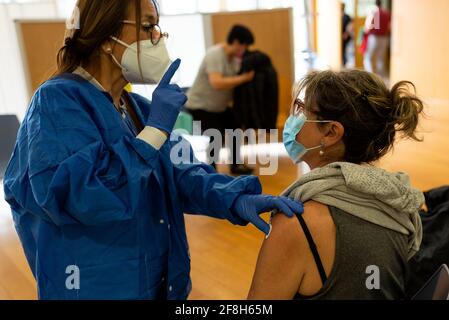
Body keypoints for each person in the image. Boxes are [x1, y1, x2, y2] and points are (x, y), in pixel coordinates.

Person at [2, 0, 303, 300]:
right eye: (147, 27)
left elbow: (183, 172)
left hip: (156, 282)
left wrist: (236, 197)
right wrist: (152, 135)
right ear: (107, 39)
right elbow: (83, 195)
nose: (157, 38)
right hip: (93, 286)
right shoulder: (57, 103)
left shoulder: (137, 110)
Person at [248, 69, 425, 300]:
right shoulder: (399, 209)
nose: (294, 119)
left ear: (331, 132)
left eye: (303, 110)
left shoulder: (295, 222)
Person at [186, 25, 256, 175]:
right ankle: (211, 171)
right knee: (215, 134)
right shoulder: (215, 54)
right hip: (200, 105)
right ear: (236, 42)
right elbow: (216, 83)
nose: (245, 49)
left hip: (219, 107)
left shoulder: (235, 60)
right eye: (244, 45)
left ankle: (236, 165)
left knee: (235, 127)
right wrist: (244, 78)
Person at [364, 0, 391, 76]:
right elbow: (389, 27)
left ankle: (370, 76)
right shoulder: (387, 13)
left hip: (374, 37)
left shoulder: (375, 13)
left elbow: (369, 27)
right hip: (384, 38)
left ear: (375, 4)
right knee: (380, 59)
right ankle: (380, 78)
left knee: (367, 57)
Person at [342, 2, 353, 67]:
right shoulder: (337, 16)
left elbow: (350, 26)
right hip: (340, 37)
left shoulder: (347, 17)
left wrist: (346, 33)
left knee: (345, 50)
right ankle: (344, 62)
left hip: (345, 36)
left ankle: (344, 63)